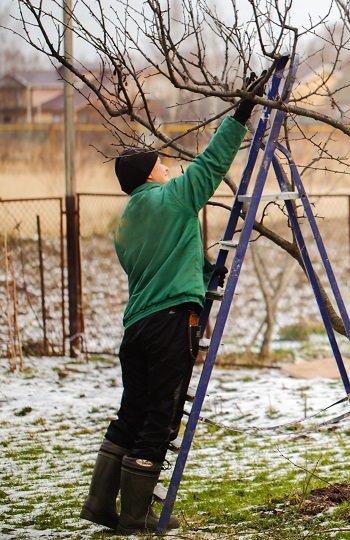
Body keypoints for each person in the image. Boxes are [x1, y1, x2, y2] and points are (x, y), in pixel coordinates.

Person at [80, 73, 264, 534]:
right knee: (160, 416)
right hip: (168, 326)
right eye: (162, 165)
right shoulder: (172, 199)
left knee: (133, 411)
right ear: (149, 175)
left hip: (137, 328)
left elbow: (161, 264)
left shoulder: (126, 223)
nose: (168, 169)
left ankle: (101, 505)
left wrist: (203, 276)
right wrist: (242, 112)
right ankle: (136, 515)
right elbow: (212, 163)